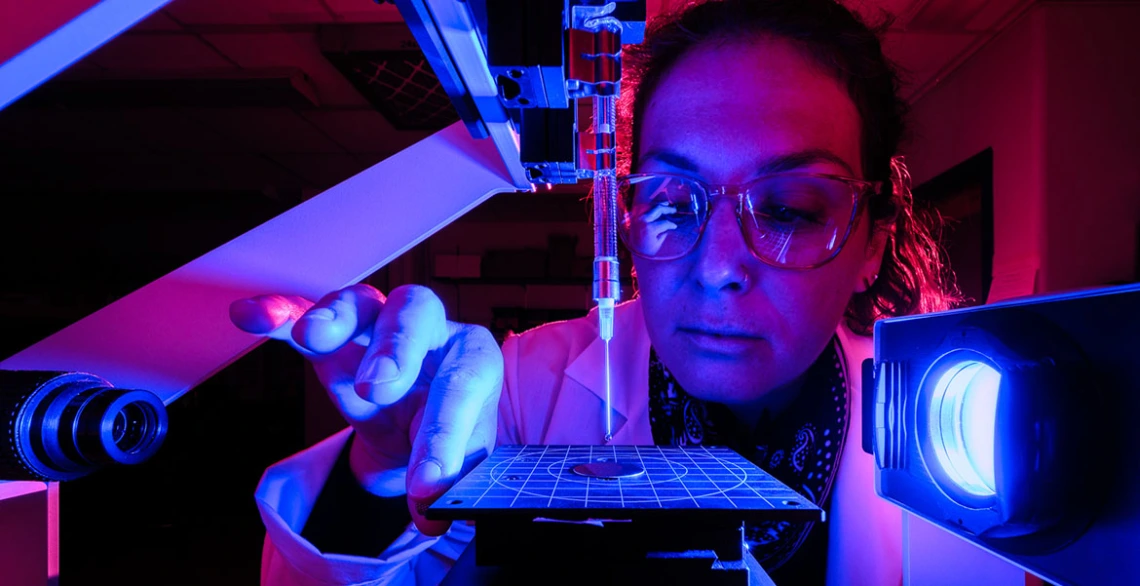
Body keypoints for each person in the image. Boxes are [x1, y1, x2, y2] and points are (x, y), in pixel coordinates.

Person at [232, 0, 961, 584]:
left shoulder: (955, 451)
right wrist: (381, 476)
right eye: (674, 200)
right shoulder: (521, 392)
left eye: (791, 209)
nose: (716, 267)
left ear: (873, 242)